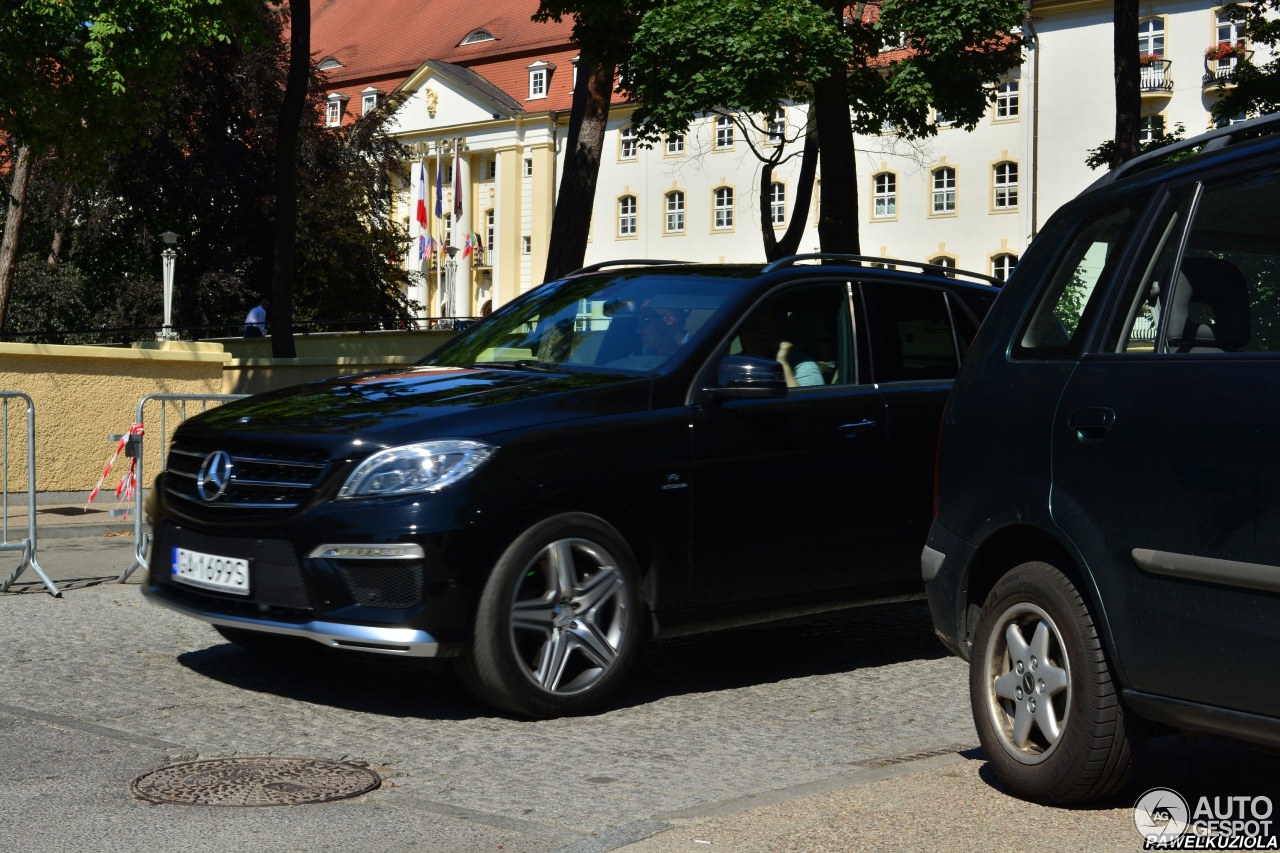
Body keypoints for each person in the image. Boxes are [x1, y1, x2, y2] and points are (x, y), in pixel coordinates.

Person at [737, 308, 824, 387]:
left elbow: (802, 403)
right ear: (741, 332)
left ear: (780, 330)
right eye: (754, 325)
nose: (763, 330)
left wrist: (782, 363)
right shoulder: (732, 365)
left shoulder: (801, 365)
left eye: (769, 324)